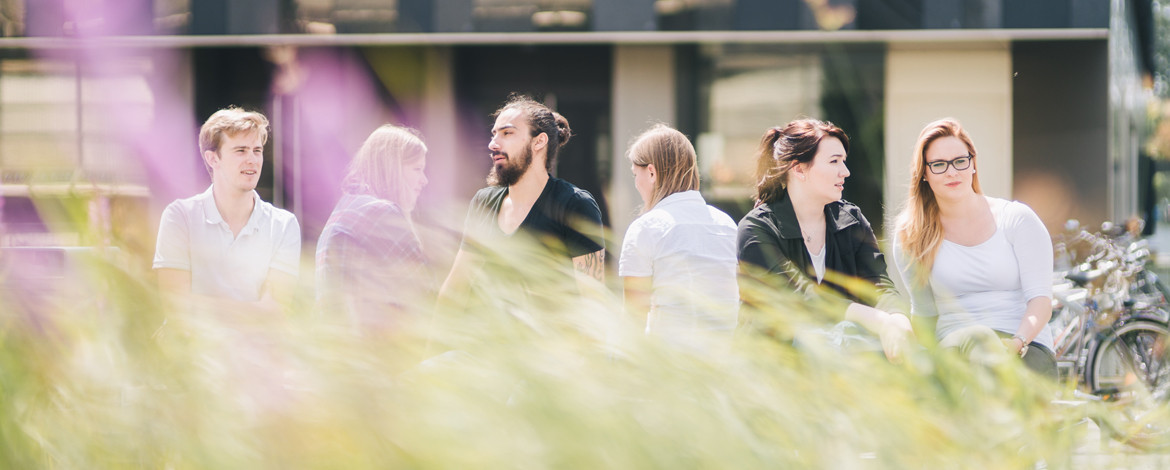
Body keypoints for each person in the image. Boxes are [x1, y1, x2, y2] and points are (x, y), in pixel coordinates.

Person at [736, 119, 912, 361]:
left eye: (844, 161)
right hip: (774, 366)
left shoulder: (851, 221)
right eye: (834, 161)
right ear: (798, 169)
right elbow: (801, 296)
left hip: (843, 361)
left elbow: (879, 285)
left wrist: (898, 320)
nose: (845, 171)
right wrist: (879, 320)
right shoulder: (757, 228)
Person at [892, 118, 1055, 376]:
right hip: (955, 352)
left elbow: (1041, 301)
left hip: (1024, 349)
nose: (952, 172)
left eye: (960, 161)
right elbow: (924, 314)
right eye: (938, 165)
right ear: (924, 173)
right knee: (975, 340)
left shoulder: (1017, 219)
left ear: (973, 164)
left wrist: (1017, 342)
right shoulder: (911, 235)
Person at [438, 95, 605, 312]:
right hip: (488, 343)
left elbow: (594, 302)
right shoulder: (483, 202)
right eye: (494, 134)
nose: (492, 144)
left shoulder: (575, 204)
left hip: (549, 344)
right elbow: (456, 287)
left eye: (507, 133)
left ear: (539, 142)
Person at [153, 107, 301, 309]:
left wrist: (199, 307)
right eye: (240, 150)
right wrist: (256, 312)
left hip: (257, 342)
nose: (252, 159)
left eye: (257, 150)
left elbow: (277, 313)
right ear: (212, 158)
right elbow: (175, 307)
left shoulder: (284, 225)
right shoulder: (180, 216)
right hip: (195, 342)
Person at [619, 125, 739, 349]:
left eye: (636, 174)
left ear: (652, 172)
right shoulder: (727, 225)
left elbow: (634, 316)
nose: (636, 183)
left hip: (668, 365)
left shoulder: (647, 228)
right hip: (725, 362)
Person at [316, 124, 431, 331]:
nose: (424, 180)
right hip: (380, 350)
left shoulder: (345, 208)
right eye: (417, 169)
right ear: (392, 168)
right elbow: (422, 296)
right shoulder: (381, 213)